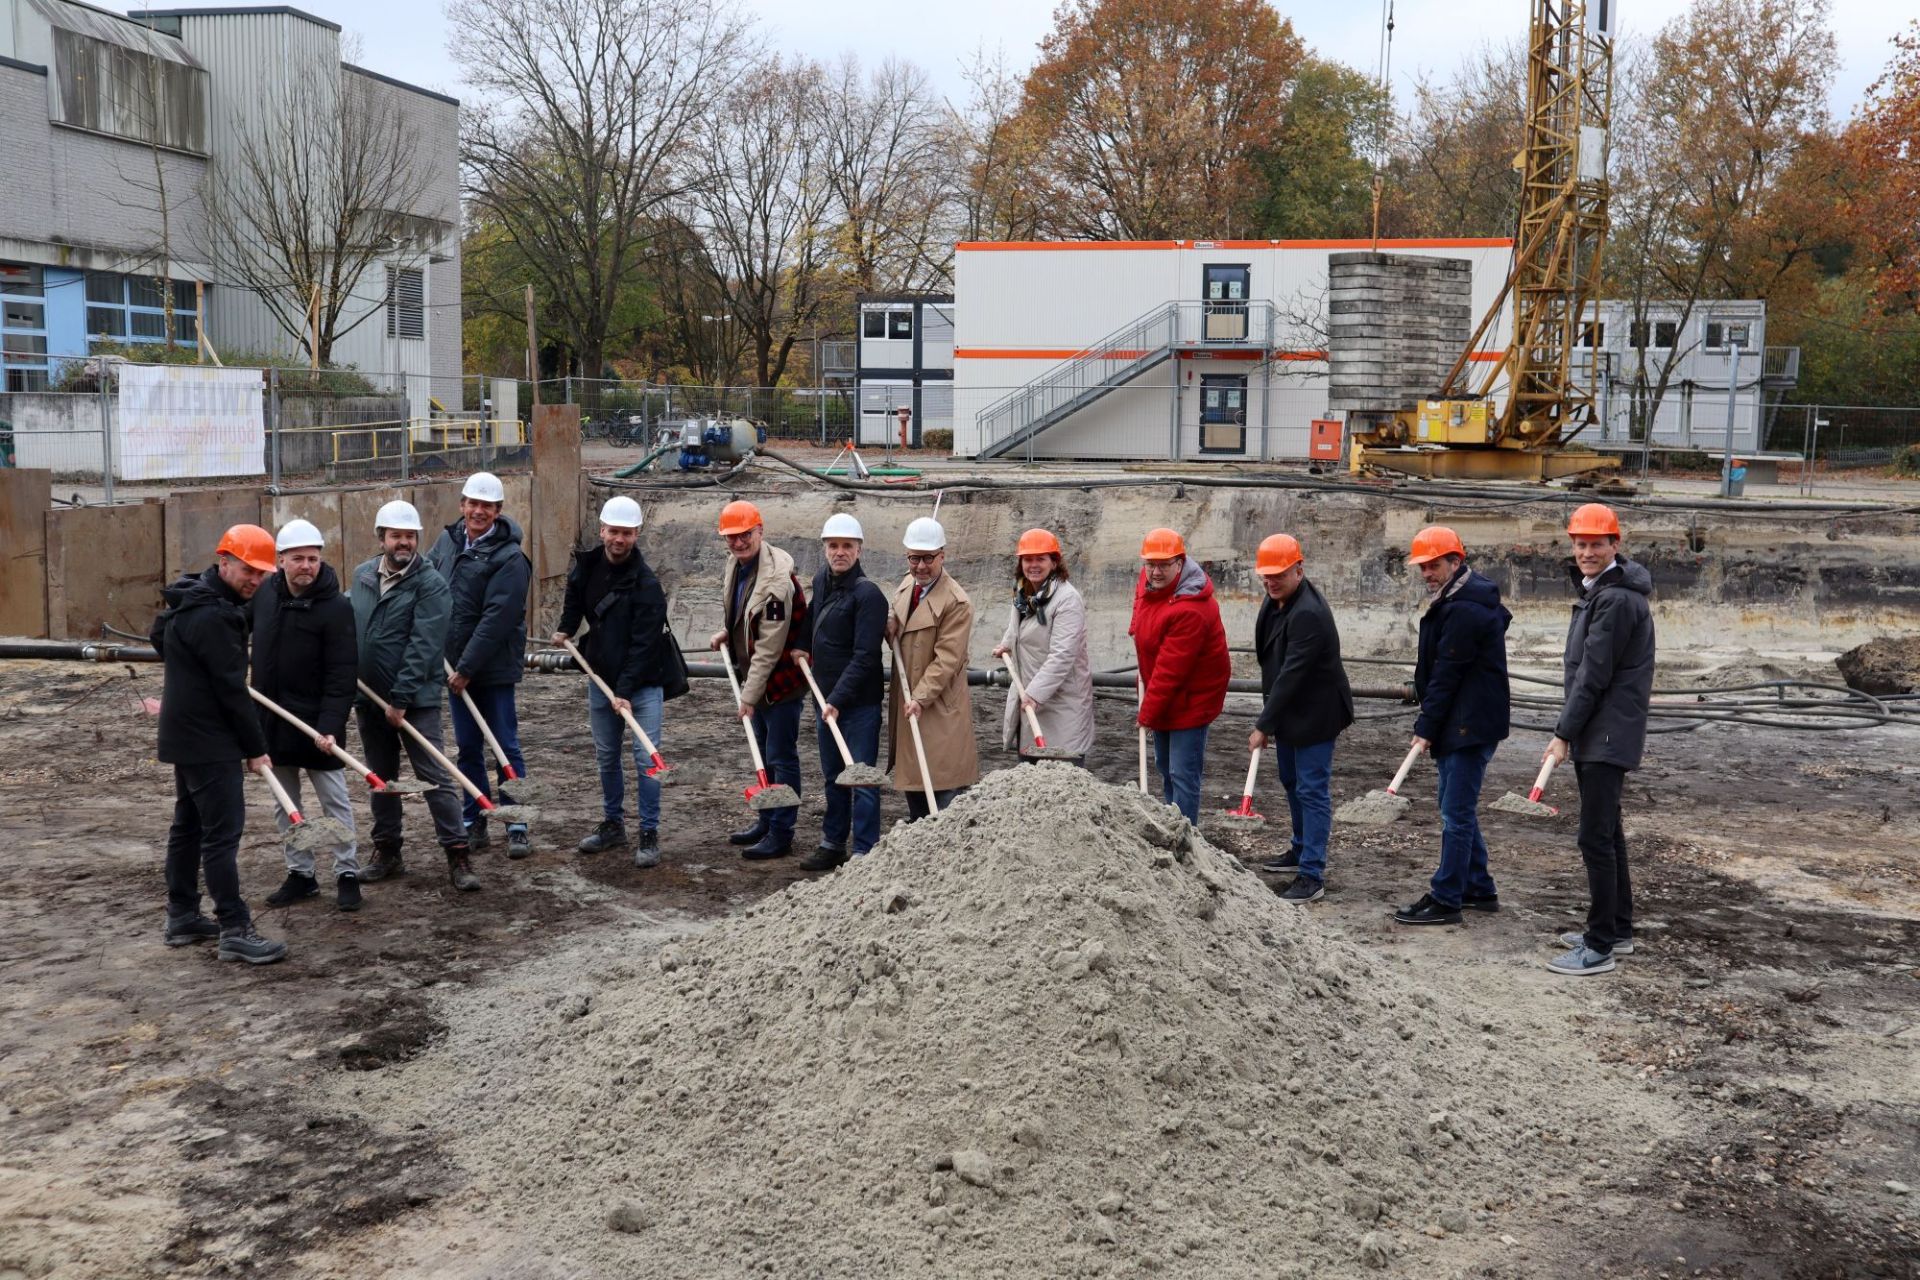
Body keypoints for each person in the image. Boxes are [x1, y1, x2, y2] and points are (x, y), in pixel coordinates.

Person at [151, 524, 286, 964]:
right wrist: (255, 746)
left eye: (263, 574)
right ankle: (234, 926)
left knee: (188, 826)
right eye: (249, 570)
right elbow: (232, 690)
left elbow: (159, 639)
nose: (256, 581)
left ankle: (182, 915)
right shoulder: (215, 616)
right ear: (224, 561)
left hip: (183, 734)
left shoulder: (188, 598)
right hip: (210, 741)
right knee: (221, 836)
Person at [1546, 503, 1656, 977]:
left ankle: (1599, 944)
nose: (1586, 552)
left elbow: (1593, 675)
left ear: (1616, 544)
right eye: (1580, 543)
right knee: (1608, 831)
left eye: (1595, 544)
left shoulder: (1613, 600)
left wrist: (1562, 734)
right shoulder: (1602, 593)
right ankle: (1618, 928)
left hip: (1604, 732)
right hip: (1603, 728)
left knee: (1595, 836)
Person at [351, 500, 478, 891]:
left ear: (417, 539)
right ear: (382, 538)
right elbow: (350, 622)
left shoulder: (431, 584)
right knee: (381, 779)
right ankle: (387, 851)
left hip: (413, 701)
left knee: (434, 776)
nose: (403, 543)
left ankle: (458, 854)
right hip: (369, 698)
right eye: (395, 536)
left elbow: (424, 646)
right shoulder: (362, 577)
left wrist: (401, 698)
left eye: (409, 536)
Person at [555, 495, 687, 868]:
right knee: (606, 756)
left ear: (636, 535)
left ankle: (649, 831)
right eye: (614, 531)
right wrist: (566, 627)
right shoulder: (588, 564)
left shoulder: (646, 586)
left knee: (648, 758)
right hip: (600, 678)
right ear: (603, 530)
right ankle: (613, 824)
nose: (619, 539)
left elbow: (644, 647)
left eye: (627, 533)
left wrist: (625, 691)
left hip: (643, 683)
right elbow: (575, 596)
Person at [1392, 527, 1511, 926]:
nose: (1427, 572)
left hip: (1467, 726)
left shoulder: (1465, 609)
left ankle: (1447, 898)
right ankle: (1478, 887)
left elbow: (1447, 673)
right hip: (1464, 722)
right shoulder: (1459, 598)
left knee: (1455, 814)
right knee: (1456, 808)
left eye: (1434, 565)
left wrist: (1426, 726)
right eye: (1423, 566)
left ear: (1455, 562)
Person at [252, 519, 362, 913]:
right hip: (272, 721)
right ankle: (301, 874)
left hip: (318, 725)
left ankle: (347, 872)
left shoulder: (336, 608)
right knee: (285, 802)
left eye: (313, 559)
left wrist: (330, 726)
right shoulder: (264, 596)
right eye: (298, 558)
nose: (307, 566)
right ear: (280, 560)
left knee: (335, 802)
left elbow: (341, 674)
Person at [428, 471, 533, 858]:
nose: (478, 511)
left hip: (490, 669)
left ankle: (517, 821)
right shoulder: (448, 541)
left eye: (486, 506)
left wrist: (468, 667)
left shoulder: (509, 558)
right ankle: (475, 818)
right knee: (468, 748)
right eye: (472, 504)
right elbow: (426, 583)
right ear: (462, 505)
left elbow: (497, 618)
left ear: (498, 511)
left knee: (504, 744)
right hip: (455, 669)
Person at [1249, 533, 1354, 901]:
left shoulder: (1308, 613)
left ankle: (1312, 873)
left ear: (1299, 569)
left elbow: (1293, 674)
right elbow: (1270, 659)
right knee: (1292, 781)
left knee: (1311, 789)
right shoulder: (1276, 599)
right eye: (1266, 575)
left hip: (1316, 714)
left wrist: (1264, 723)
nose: (1271, 581)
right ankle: (1299, 847)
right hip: (1291, 711)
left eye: (1279, 574)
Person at [709, 499, 809, 859]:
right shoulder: (736, 566)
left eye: (744, 535)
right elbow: (741, 610)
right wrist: (727, 631)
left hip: (778, 683)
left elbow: (769, 644)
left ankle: (782, 832)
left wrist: (749, 696)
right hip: (755, 678)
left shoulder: (778, 579)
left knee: (781, 756)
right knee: (764, 755)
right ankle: (766, 821)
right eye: (731, 537)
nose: (738, 543)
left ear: (760, 531)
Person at [794, 512, 888, 870]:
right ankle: (832, 843)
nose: (839, 552)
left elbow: (866, 657)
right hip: (825, 701)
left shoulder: (868, 596)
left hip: (858, 706)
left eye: (847, 546)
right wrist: (802, 645)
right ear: (824, 549)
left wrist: (836, 699)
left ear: (859, 550)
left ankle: (864, 850)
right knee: (833, 776)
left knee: (861, 778)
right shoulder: (823, 580)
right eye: (833, 546)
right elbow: (810, 618)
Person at [1130, 527, 1229, 827]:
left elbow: (1171, 671)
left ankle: (1186, 836)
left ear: (1180, 563)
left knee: (1182, 773)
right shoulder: (1151, 584)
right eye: (1151, 564)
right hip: (1164, 695)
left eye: (1164, 565)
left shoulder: (1191, 608)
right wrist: (1135, 629)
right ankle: (1170, 823)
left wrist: (1146, 714)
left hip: (1192, 699)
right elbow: (1141, 602)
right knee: (1164, 765)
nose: (1155, 572)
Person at [887, 517, 979, 818]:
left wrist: (920, 697)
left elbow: (947, 660)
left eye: (928, 558)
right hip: (910, 701)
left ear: (943, 555)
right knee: (915, 784)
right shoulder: (906, 586)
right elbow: (902, 630)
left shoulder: (957, 603)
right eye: (914, 558)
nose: (921, 566)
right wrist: (889, 627)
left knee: (942, 789)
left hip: (936, 707)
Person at [991, 527, 1094, 766]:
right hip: (1031, 699)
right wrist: (1007, 643)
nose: (1033, 565)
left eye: (1041, 559)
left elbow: (1062, 656)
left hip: (1061, 704)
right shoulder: (1023, 593)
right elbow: (1017, 626)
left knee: (1062, 781)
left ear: (1054, 562)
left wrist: (1035, 694)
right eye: (1028, 559)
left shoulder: (1067, 600)